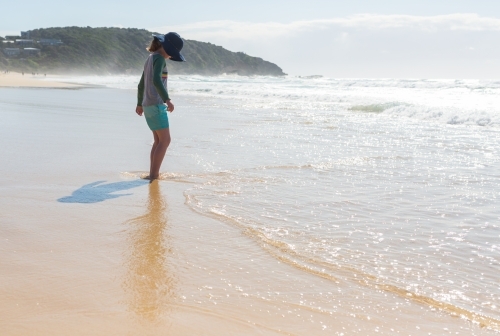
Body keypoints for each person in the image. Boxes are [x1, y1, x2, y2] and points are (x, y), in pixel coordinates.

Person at [136, 32, 186, 181]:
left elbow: (141, 84)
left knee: (158, 141)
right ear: (167, 48)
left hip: (147, 105)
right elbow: (157, 80)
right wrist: (167, 99)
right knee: (165, 141)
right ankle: (154, 175)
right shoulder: (159, 59)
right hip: (157, 104)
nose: (172, 55)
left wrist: (139, 103)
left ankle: (152, 173)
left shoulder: (150, 59)